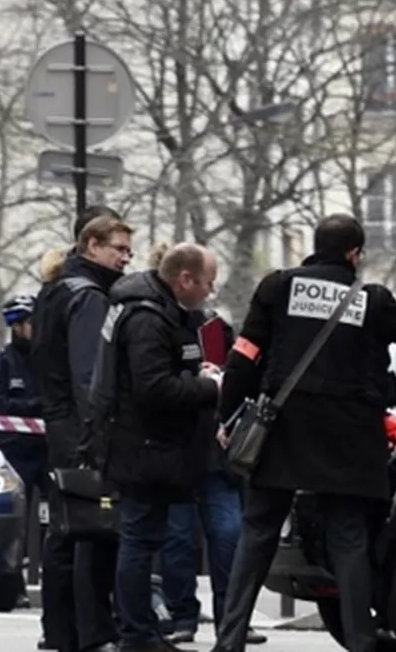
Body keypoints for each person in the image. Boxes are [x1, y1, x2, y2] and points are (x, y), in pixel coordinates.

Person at [210, 214, 396, 652]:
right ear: (354, 253)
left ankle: (230, 640)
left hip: (282, 431)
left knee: (258, 531)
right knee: (348, 538)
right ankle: (359, 641)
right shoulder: (371, 300)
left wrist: (227, 418)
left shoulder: (277, 287)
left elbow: (244, 357)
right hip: (348, 439)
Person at [86, 243, 222, 652]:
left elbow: (159, 373)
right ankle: (137, 633)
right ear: (184, 279)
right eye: (207, 283)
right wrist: (208, 386)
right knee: (139, 541)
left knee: (143, 540)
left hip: (151, 446)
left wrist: (194, 371)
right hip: (144, 448)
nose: (209, 292)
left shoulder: (158, 312)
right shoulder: (148, 318)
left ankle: (140, 630)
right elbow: (152, 388)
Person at [140, 242, 266, 647]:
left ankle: (233, 615)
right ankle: (183, 614)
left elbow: (241, 373)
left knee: (227, 532)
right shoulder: (154, 322)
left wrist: (222, 379)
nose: (209, 290)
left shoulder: (214, 326)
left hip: (213, 444)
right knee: (178, 538)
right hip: (177, 445)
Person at [31, 213, 132, 652]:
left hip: (58, 426)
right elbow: (90, 375)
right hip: (82, 430)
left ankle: (60, 631)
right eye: (119, 249)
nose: (126, 259)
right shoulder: (89, 297)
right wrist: (100, 433)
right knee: (93, 529)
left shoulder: (53, 289)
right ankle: (96, 633)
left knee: (64, 529)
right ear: (92, 245)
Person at [0, 294, 47, 614]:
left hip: (47, 450)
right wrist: (34, 408)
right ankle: (13, 584)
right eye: (32, 322)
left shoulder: (49, 361)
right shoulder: (2, 363)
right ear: (18, 327)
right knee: (17, 522)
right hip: (15, 452)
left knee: (62, 516)